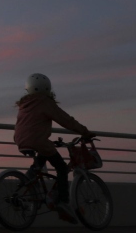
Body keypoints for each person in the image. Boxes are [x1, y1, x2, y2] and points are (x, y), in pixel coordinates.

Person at [13, 73, 93, 224]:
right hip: (38, 141)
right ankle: (63, 202)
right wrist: (85, 132)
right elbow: (65, 120)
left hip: (21, 140)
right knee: (62, 168)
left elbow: (29, 125)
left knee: (43, 156)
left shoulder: (24, 105)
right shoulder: (45, 102)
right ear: (48, 88)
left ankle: (25, 183)